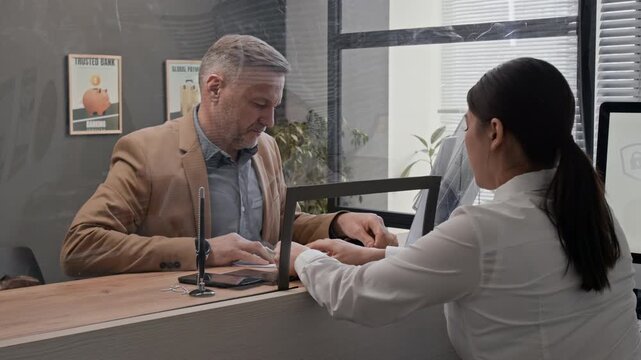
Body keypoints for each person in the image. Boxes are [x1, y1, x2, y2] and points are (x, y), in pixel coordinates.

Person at [278, 58, 641, 359]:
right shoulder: (596, 214)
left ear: (494, 132)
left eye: (468, 126)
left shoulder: (485, 228)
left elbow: (355, 297)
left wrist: (299, 258)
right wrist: (377, 256)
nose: (464, 140)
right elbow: (479, 266)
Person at [61, 34, 397, 277]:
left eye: (275, 106)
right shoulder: (144, 151)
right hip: (176, 323)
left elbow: (275, 227)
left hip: (261, 313)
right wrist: (203, 251)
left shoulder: (266, 147)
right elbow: (82, 246)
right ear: (214, 89)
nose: (270, 121)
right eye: (259, 104)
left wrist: (337, 224)